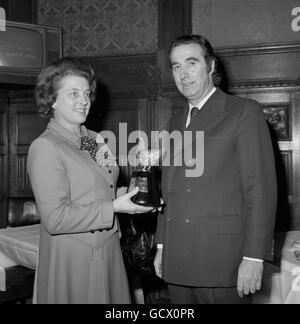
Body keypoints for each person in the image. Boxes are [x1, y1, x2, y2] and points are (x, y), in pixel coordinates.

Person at [154, 35, 277, 304]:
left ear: (211, 66)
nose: (183, 74)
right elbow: (169, 191)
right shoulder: (175, 121)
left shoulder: (243, 112)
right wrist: (162, 246)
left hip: (222, 262)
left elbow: (260, 191)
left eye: (191, 63)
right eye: (176, 66)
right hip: (178, 259)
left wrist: (254, 256)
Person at [27, 57, 153, 304]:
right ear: (52, 100)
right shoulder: (45, 147)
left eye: (86, 93)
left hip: (108, 249)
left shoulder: (93, 139)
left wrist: (135, 193)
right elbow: (55, 219)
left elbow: (106, 186)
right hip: (73, 257)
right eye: (73, 93)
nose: (84, 100)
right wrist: (115, 207)